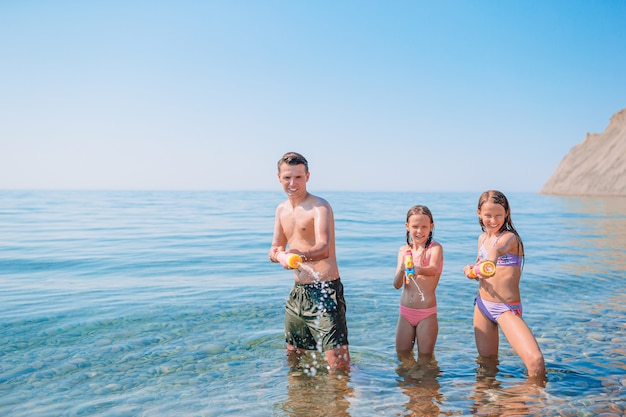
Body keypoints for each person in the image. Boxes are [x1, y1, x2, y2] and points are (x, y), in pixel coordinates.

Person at [268, 152, 350, 373]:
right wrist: (280, 256)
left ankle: (350, 398)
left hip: (325, 289)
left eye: (298, 177)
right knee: (294, 355)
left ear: (307, 176)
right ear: (279, 178)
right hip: (299, 293)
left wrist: (297, 255)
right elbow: (274, 248)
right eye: (287, 177)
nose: (292, 183)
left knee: (339, 362)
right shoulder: (281, 210)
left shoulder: (319, 207)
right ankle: (301, 403)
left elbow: (324, 248)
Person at [463, 190, 546, 381]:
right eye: (488, 215)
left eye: (498, 215)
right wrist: (472, 271)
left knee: (535, 362)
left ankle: (532, 401)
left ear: (507, 213)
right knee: (487, 363)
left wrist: (484, 266)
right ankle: (488, 402)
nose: (493, 220)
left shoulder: (509, 238)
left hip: (506, 308)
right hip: (483, 306)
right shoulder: (482, 239)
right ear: (479, 214)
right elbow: (483, 272)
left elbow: (494, 255)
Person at [393, 205, 444, 361]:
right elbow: (396, 284)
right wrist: (403, 269)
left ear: (431, 227)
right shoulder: (403, 251)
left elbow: (433, 268)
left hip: (425, 314)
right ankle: (409, 386)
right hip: (405, 312)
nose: (419, 231)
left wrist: (416, 269)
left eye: (424, 227)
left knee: (425, 359)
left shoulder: (434, 249)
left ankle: (427, 385)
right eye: (415, 226)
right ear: (407, 226)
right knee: (402, 355)